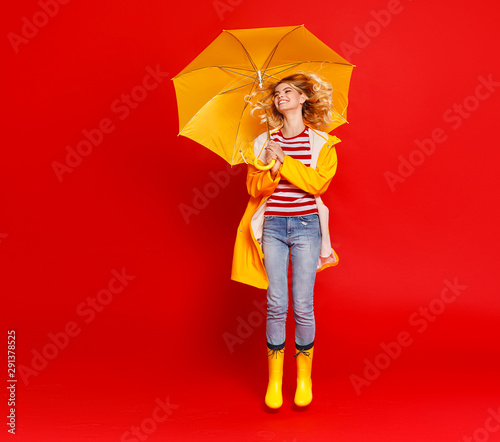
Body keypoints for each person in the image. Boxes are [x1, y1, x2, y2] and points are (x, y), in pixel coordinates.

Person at [231, 72, 340, 409]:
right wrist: (268, 165)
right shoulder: (264, 143)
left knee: (302, 305)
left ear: (304, 98)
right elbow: (254, 190)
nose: (281, 97)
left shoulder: (322, 142)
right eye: (277, 93)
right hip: (274, 227)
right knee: (277, 304)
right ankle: (275, 381)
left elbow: (317, 185)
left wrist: (286, 160)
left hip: (307, 227)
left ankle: (304, 378)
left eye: (288, 91)